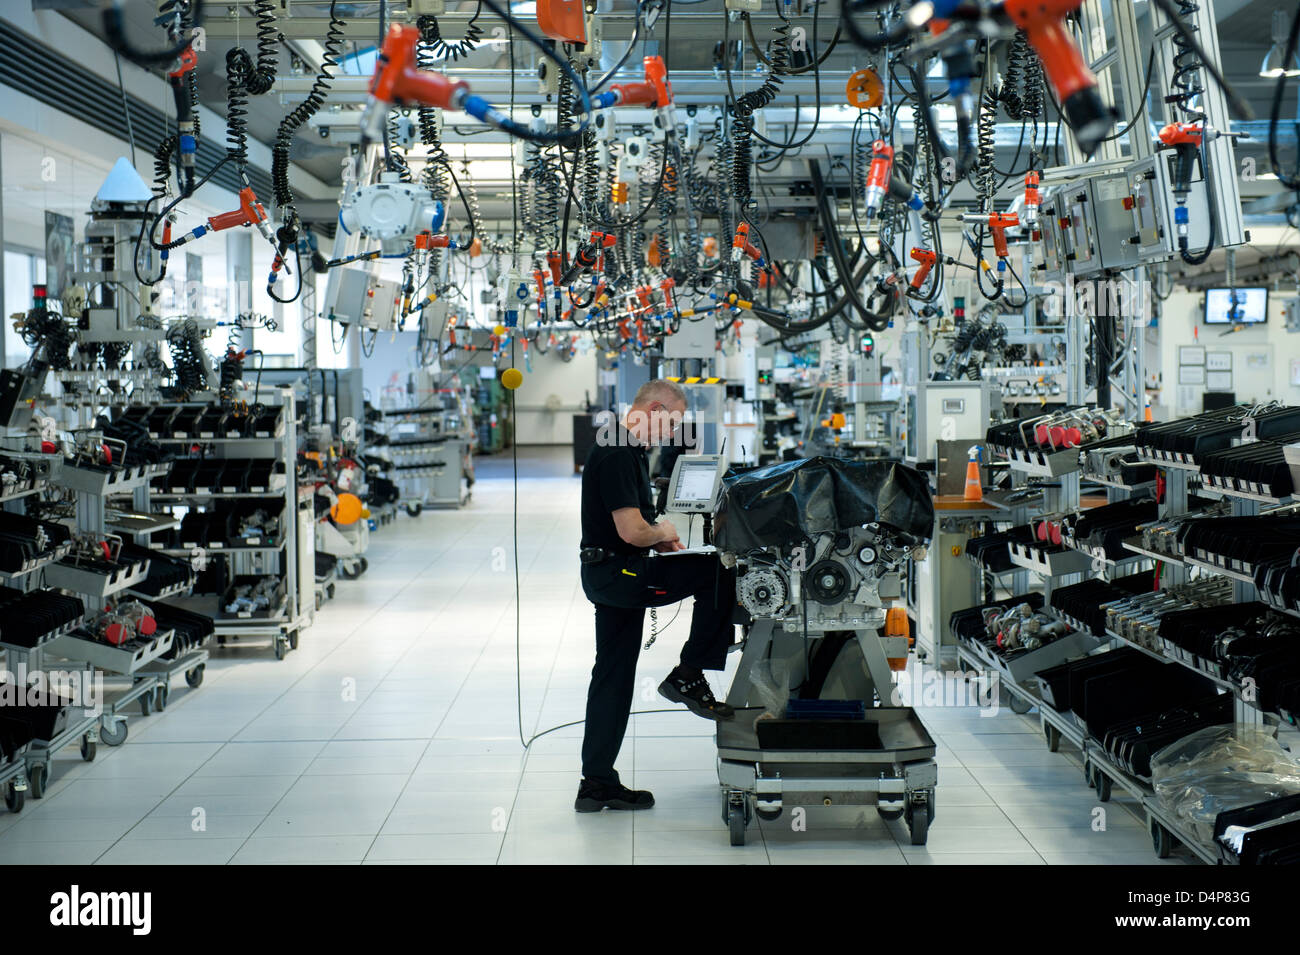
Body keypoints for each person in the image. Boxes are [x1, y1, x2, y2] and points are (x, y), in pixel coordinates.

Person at [575, 379, 737, 813]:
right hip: (623, 573)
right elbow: (632, 531)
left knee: (612, 675)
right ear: (654, 409)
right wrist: (661, 532)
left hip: (608, 571)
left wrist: (656, 539)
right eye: (672, 423)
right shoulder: (617, 452)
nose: (671, 433)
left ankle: (596, 784)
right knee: (718, 573)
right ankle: (688, 674)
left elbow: (627, 528)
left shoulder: (621, 447)